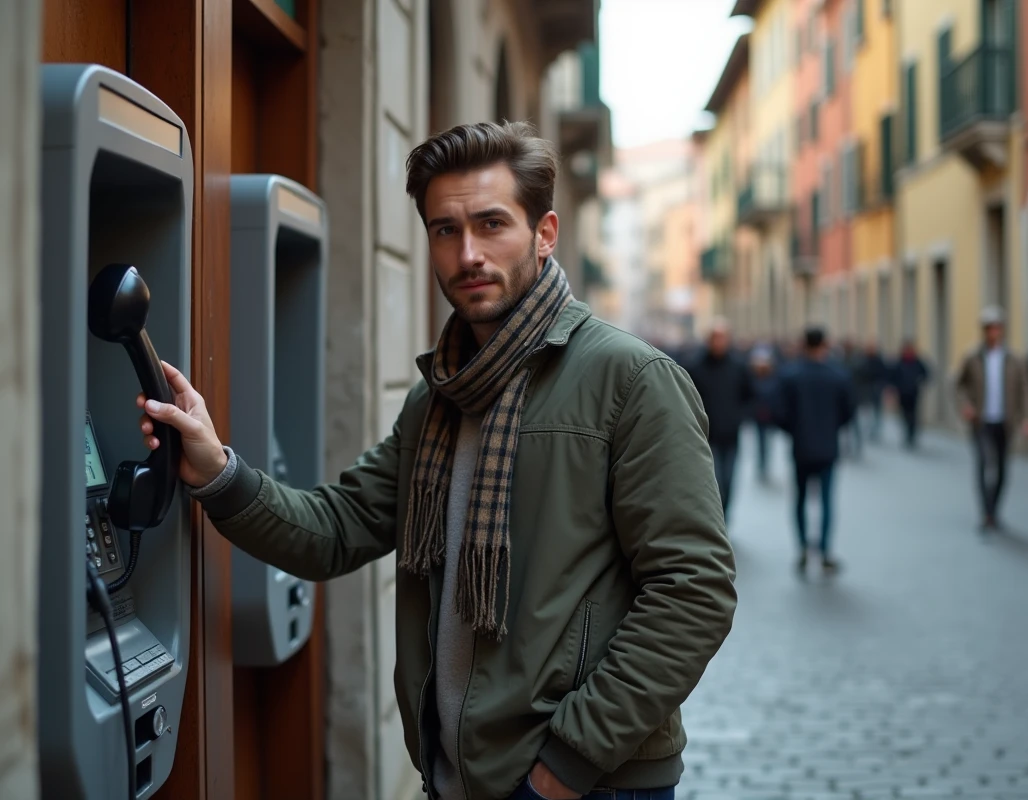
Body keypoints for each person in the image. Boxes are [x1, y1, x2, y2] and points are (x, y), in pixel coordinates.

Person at [134, 121, 737, 800]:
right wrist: (218, 472)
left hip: (589, 783)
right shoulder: (439, 397)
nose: (468, 253)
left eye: (492, 224)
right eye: (445, 230)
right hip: (459, 777)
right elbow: (337, 529)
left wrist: (566, 765)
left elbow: (694, 591)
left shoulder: (630, 380)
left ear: (544, 233)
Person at [776, 327, 855, 573]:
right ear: (825, 345)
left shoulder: (791, 375)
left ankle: (802, 547)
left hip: (801, 446)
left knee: (800, 499)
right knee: (826, 501)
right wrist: (831, 428)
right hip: (828, 446)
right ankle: (824, 550)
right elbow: (848, 411)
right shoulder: (838, 375)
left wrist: (794, 430)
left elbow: (780, 411)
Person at [955, 306, 1028, 531]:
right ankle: (986, 513)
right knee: (983, 465)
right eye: (989, 328)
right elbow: (958, 385)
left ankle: (994, 510)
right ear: (984, 330)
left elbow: (1026, 390)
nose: (993, 332)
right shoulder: (972, 357)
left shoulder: (1014, 359)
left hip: (1005, 421)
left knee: (1001, 469)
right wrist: (965, 405)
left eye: (997, 328)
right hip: (981, 422)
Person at [684, 319, 754, 518]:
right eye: (715, 338)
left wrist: (740, 416)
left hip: (731, 435)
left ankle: (724, 519)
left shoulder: (738, 366)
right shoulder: (696, 366)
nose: (719, 342)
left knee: (728, 481)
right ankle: (716, 520)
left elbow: (750, 395)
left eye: (722, 338)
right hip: (706, 436)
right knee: (713, 483)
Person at [890, 340, 929, 449]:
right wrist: (894, 388)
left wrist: (920, 381)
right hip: (902, 393)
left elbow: (926, 373)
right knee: (904, 414)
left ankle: (912, 434)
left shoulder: (917, 362)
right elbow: (893, 376)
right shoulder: (900, 362)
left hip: (914, 392)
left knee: (913, 415)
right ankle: (907, 433)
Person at [748, 343, 779, 482]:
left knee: (767, 444)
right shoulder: (752, 378)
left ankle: (765, 467)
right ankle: (762, 467)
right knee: (761, 443)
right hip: (759, 416)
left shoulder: (773, 377)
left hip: (769, 416)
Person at [862, 340, 890, 441]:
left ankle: (876, 431)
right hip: (866, 389)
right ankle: (869, 430)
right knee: (867, 411)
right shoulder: (864, 360)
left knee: (877, 411)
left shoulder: (879, 361)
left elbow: (884, 374)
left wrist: (882, 385)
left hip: (877, 388)